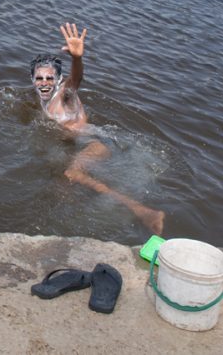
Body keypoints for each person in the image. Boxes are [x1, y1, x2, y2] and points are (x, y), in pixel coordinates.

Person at [31, 23, 165, 235]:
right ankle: (68, 227)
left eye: (50, 78)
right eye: (39, 78)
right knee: (60, 187)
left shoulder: (65, 95)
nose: (44, 83)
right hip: (78, 145)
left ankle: (145, 212)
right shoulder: (42, 101)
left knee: (72, 173)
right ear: (33, 80)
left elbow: (75, 81)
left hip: (96, 143)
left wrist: (76, 59)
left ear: (58, 80)